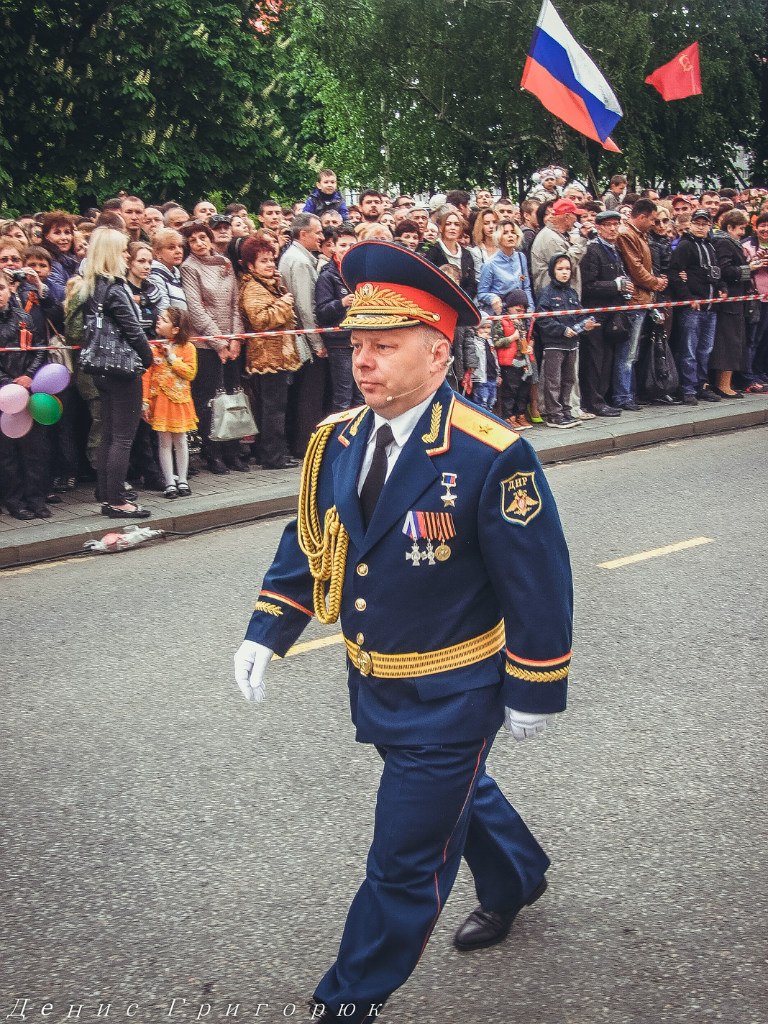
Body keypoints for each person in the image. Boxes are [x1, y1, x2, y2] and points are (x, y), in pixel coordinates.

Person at [233, 239, 573, 1024]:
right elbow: (309, 538)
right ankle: (518, 875)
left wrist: (534, 686)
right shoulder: (340, 439)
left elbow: (539, 581)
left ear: (439, 354)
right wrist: (268, 628)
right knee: (457, 796)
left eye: (385, 347)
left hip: (457, 690)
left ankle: (350, 1000)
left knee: (405, 858)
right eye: (358, 345)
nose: (364, 362)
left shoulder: (492, 455)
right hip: (377, 676)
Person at [76, 227, 154, 518]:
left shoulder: (92, 288)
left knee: (109, 435)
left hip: (100, 369)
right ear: (112, 254)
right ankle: (118, 500)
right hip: (122, 370)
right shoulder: (116, 288)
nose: (126, 256)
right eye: (123, 251)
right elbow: (133, 332)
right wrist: (147, 359)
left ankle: (107, 494)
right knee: (123, 438)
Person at [180, 219, 246, 473]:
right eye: (193, 240)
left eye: (202, 238)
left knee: (232, 396)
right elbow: (196, 310)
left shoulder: (225, 262)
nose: (199, 243)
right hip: (206, 346)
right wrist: (219, 342)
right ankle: (213, 453)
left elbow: (234, 304)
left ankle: (233, 450)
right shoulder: (189, 267)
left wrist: (235, 338)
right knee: (210, 401)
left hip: (231, 342)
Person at [238, 236, 302, 470]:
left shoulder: (271, 283)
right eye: (263, 261)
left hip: (280, 355)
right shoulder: (252, 287)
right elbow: (260, 320)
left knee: (277, 408)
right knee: (272, 409)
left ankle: (276, 453)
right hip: (266, 358)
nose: (270, 265)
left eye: (271, 260)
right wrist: (284, 304)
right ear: (250, 265)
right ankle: (272, 457)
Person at [0, 269, 51, 520]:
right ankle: (15, 501)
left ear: (9, 288)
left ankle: (36, 498)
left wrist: (29, 376)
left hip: (29, 390)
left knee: (35, 449)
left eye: (0, 288)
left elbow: (41, 348)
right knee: (7, 453)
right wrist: (7, 383)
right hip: (3, 395)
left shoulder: (25, 317)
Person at [614, 199, 668, 411]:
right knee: (627, 353)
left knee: (632, 353)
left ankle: (630, 393)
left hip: (643, 299)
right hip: (636, 300)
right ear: (642, 216)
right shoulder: (627, 234)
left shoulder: (638, 234)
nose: (655, 224)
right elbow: (635, 269)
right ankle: (623, 395)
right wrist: (656, 283)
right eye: (653, 220)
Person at [579, 210, 633, 416]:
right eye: (608, 224)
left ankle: (602, 398)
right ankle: (594, 401)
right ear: (599, 227)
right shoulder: (593, 250)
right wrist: (615, 285)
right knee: (594, 359)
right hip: (596, 314)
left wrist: (625, 288)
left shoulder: (614, 248)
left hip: (612, 313)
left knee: (607, 358)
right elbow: (588, 285)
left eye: (615, 224)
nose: (612, 228)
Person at [669, 209, 725, 404]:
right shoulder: (685, 246)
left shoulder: (711, 246)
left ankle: (702, 385)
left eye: (705, 223)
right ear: (691, 224)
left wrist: (722, 288)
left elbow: (717, 272)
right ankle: (687, 389)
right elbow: (675, 273)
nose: (701, 227)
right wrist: (688, 297)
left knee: (705, 349)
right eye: (698, 223)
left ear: (710, 225)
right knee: (689, 350)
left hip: (710, 307)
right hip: (693, 308)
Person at [536, 254, 599, 428]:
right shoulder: (546, 293)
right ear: (552, 271)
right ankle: (553, 414)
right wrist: (562, 330)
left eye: (567, 269)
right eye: (560, 269)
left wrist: (585, 324)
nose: (564, 273)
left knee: (568, 378)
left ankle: (565, 410)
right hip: (554, 344)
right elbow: (543, 319)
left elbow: (579, 314)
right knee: (553, 380)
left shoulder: (572, 293)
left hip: (572, 344)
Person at [142, 307, 197, 498]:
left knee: (181, 440)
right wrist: (145, 400)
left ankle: (182, 479)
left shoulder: (187, 347)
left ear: (175, 329)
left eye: (164, 319)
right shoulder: (152, 347)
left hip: (179, 400)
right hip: (160, 401)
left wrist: (171, 357)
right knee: (163, 442)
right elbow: (146, 375)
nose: (158, 320)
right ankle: (169, 482)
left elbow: (190, 372)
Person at [315, 226, 363, 413]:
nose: (347, 249)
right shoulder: (327, 276)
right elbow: (321, 312)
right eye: (343, 245)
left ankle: (360, 437)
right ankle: (339, 439)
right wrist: (341, 303)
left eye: (352, 244)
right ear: (333, 247)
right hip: (340, 343)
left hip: (361, 341)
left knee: (361, 394)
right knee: (343, 397)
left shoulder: (361, 273)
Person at [492, 288, 535, 429]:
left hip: (524, 361)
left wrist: (530, 347)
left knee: (523, 391)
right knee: (510, 391)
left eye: (523, 309)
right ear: (508, 307)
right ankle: (508, 416)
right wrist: (512, 338)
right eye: (517, 309)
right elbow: (496, 342)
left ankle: (520, 414)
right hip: (509, 363)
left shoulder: (524, 322)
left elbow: (530, 338)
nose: (521, 311)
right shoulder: (501, 321)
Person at [477, 221, 534, 315]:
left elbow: (525, 286)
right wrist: (492, 298)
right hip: (501, 313)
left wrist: (530, 308)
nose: (510, 235)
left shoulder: (521, 258)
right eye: (505, 233)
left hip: (521, 313)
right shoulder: (490, 264)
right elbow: (481, 294)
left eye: (513, 232)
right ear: (498, 237)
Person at [425, 208, 477, 297]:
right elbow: (428, 280)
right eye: (448, 224)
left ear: (460, 229)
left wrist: (464, 299)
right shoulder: (432, 251)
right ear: (441, 228)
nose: (452, 228)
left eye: (456, 225)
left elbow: (471, 284)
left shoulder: (467, 254)